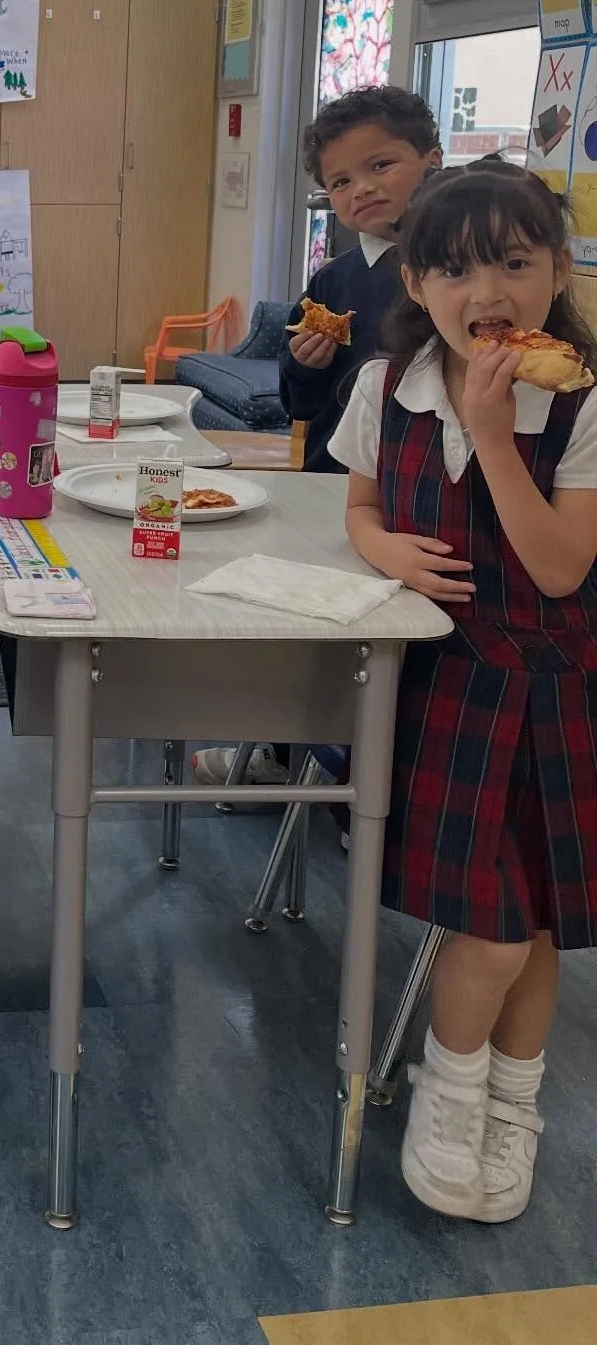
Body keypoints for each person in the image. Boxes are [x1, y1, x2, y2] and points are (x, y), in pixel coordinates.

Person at [329, 161, 597, 1222]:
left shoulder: (578, 401)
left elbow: (563, 567)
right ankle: (451, 1086)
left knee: (532, 926)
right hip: (442, 687)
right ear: (416, 289)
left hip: (555, 689)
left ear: (560, 271)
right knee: (488, 927)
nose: (485, 292)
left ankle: (508, 1103)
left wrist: (494, 433)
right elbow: (356, 509)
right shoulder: (386, 386)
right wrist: (387, 552)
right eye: (453, 269)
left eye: (514, 264)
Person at [193, 85, 443, 788]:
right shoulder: (335, 276)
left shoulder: (457, 266)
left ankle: (362, 784)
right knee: (314, 623)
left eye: (381, 166)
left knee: (390, 635)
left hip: (416, 482)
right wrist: (308, 364)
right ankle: (283, 752)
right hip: (339, 477)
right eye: (340, 181)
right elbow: (301, 400)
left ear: (431, 159)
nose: (361, 189)